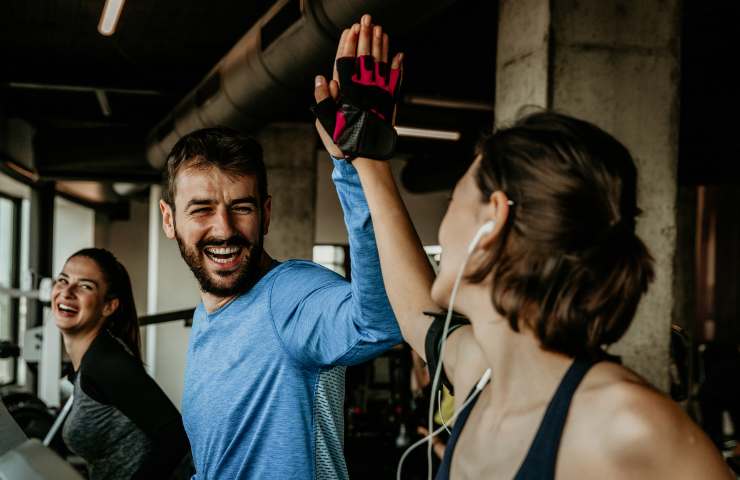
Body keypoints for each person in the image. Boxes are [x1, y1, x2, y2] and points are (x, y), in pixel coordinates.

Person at [312, 19, 733, 477]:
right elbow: (415, 314)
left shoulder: (625, 425)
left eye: (455, 200)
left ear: (491, 219)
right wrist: (367, 161)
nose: (445, 229)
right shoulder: (481, 374)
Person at [158, 18, 402, 476]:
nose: (224, 228)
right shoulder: (210, 311)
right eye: (202, 209)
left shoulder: (291, 296)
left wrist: (356, 166)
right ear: (169, 220)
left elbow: (381, 324)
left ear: (266, 213)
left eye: (241, 207)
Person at [52, 248, 190, 479]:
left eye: (85, 286)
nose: (67, 292)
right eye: (63, 280)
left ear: (109, 306)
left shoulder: (105, 362)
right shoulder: (91, 361)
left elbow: (174, 436)